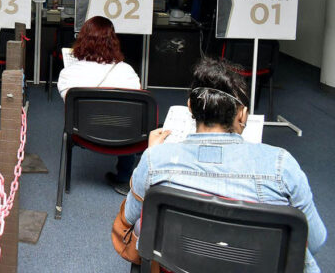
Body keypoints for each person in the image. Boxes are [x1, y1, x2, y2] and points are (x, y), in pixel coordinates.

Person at [123, 57, 326, 272]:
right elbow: (314, 240)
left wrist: (152, 155)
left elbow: (129, 216)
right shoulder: (281, 165)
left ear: (190, 107)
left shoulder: (156, 158)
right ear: (242, 114)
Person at [57, 16, 141, 195]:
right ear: (113, 42)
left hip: (83, 135)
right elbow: (136, 106)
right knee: (132, 120)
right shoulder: (127, 71)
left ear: (82, 40)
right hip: (125, 136)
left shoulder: (67, 74)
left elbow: (70, 105)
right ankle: (124, 177)